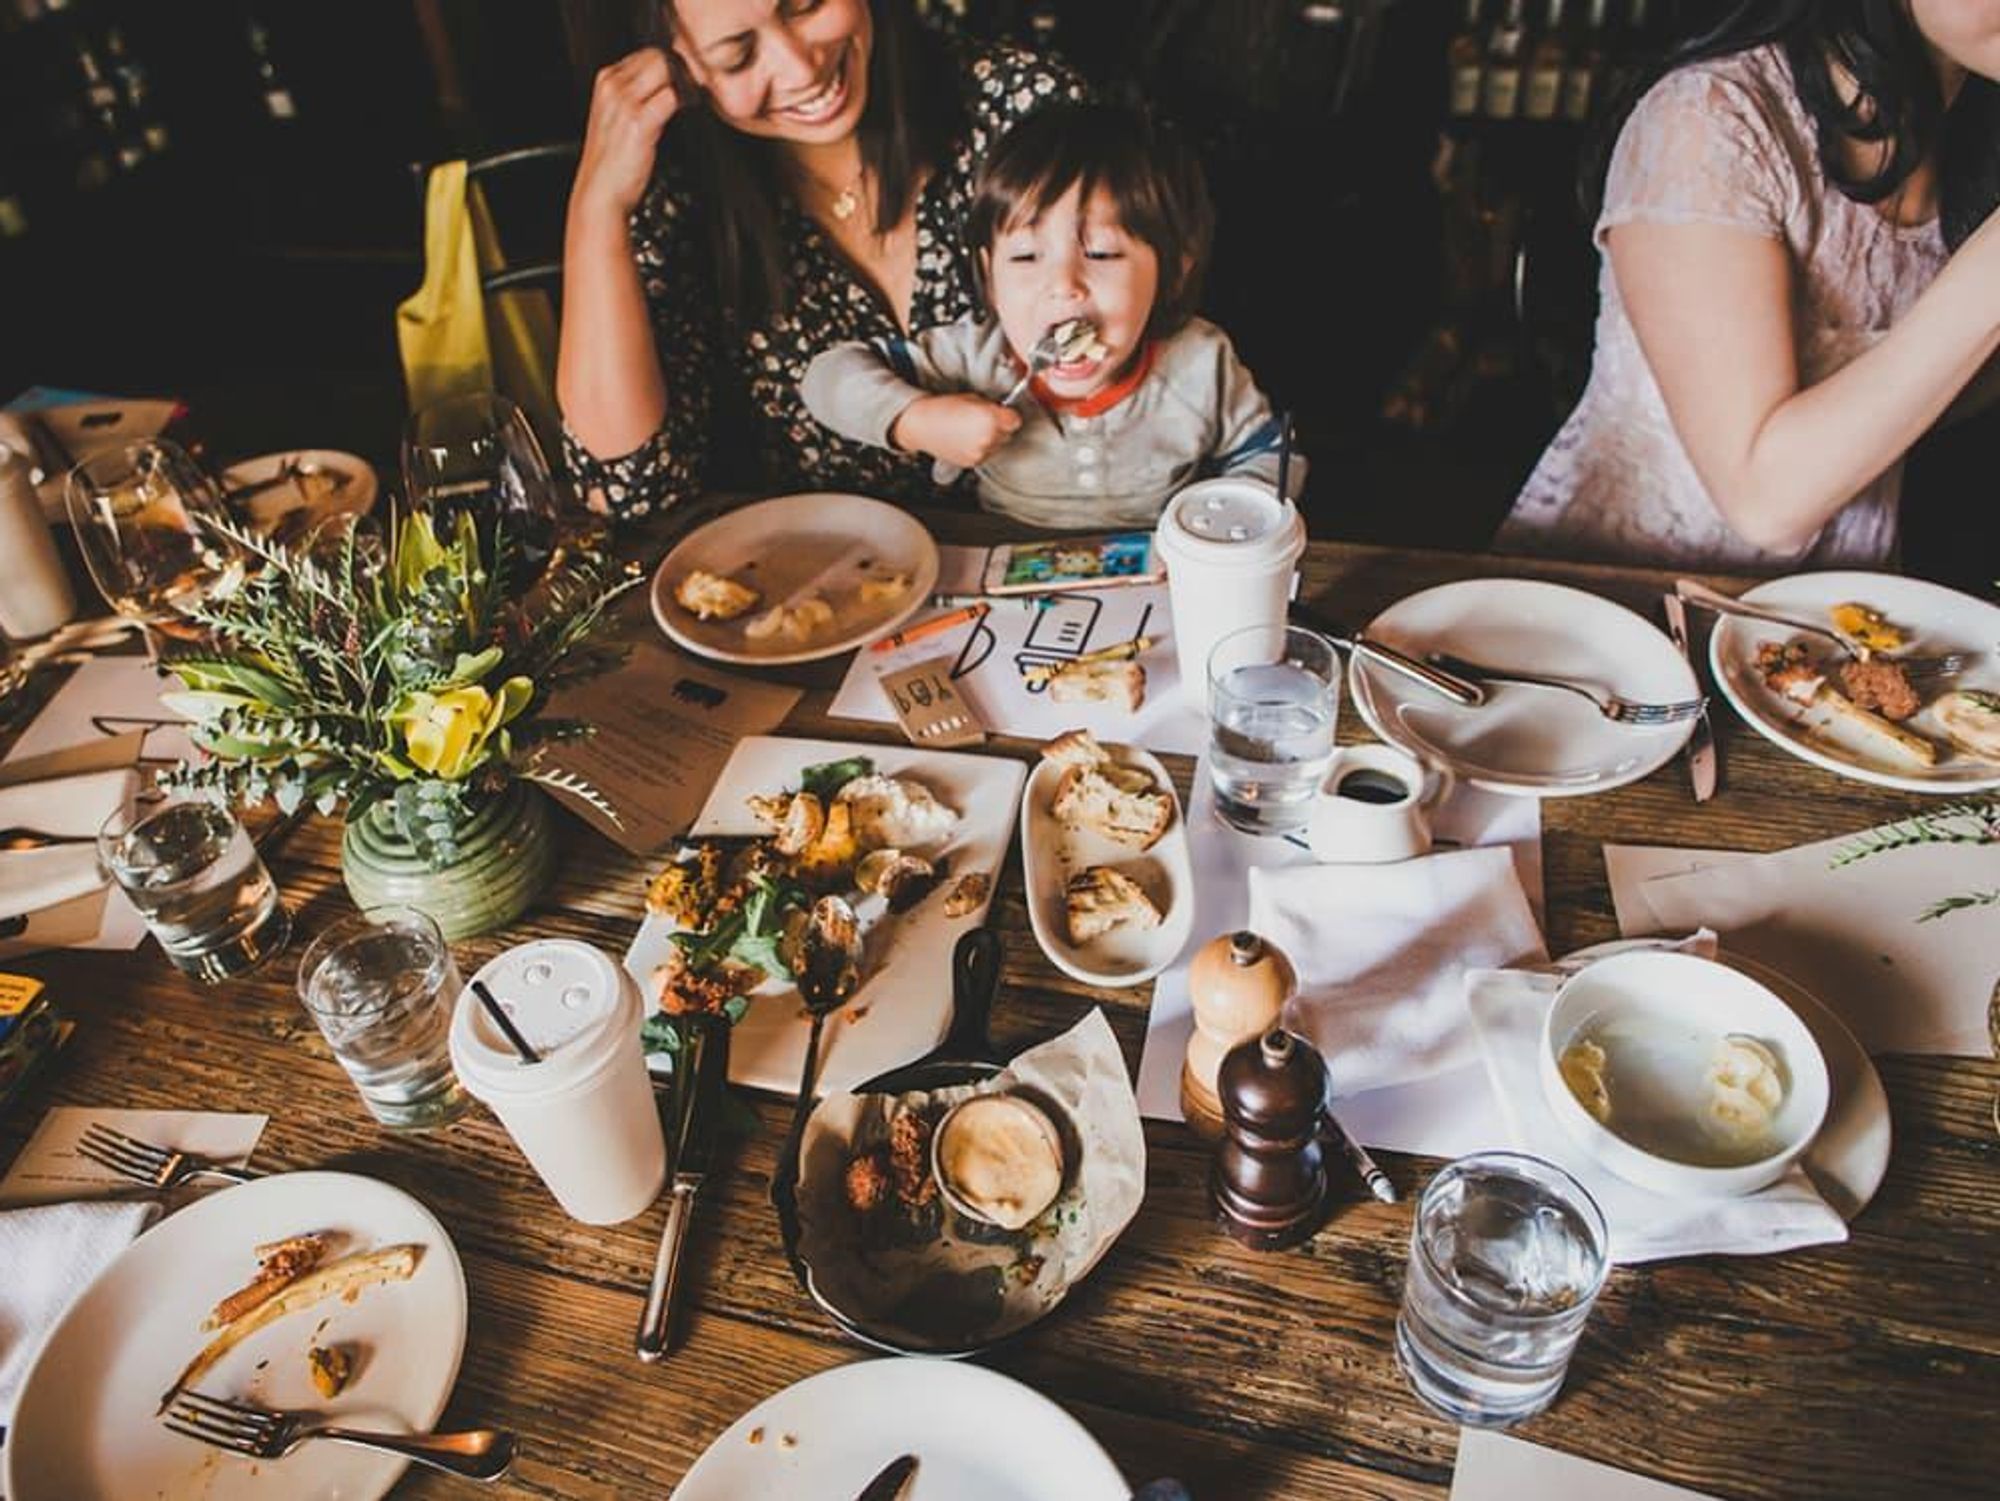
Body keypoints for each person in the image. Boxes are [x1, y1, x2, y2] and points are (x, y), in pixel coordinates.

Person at [1495, 2, 2000, 570]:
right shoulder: (1714, 118)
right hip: (1613, 601)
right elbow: (1764, 501)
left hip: (1833, 614)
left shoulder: (1964, 138)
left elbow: (1918, 395)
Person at [556, 0, 1084, 521]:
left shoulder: (1014, 106)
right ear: (672, 74)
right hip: (834, 566)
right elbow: (629, 491)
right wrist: (598, 208)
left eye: (806, 5)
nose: (800, 68)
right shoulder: (679, 197)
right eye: (738, 55)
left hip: (1065, 541)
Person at [799, 102, 1297, 529]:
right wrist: (916, 420)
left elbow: (1272, 456)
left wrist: (1215, 534)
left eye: (1101, 254)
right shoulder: (971, 359)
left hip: (1161, 573)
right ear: (988, 274)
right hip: (1003, 572)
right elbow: (825, 377)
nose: (1063, 284)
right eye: (1025, 257)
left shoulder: (1200, 362)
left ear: (1173, 272)